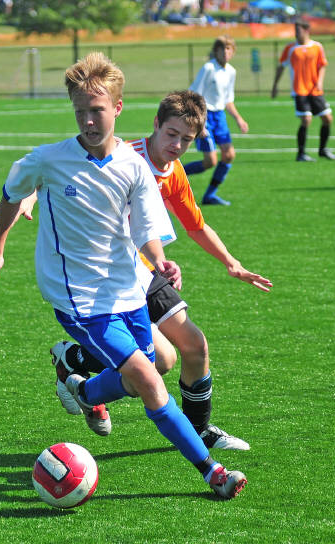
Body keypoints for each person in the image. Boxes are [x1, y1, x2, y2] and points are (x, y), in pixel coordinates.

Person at [0, 52, 247, 499]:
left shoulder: (134, 166)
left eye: (97, 110)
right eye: (80, 111)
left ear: (117, 108)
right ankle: (212, 471)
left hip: (128, 289)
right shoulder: (48, 160)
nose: (88, 120)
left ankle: (83, 389)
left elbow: (146, 229)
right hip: (78, 298)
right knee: (149, 379)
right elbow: (11, 194)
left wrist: (160, 261)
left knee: (155, 365)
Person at [49, 90, 272, 453]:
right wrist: (26, 197)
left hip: (146, 271)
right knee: (161, 360)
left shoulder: (175, 172)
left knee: (192, 346)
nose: (177, 145)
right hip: (109, 275)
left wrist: (232, 264)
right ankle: (76, 364)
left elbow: (196, 225)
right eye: (171, 134)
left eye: (187, 139)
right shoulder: (123, 155)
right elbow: (63, 172)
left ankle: (197, 430)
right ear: (155, 124)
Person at [183, 36, 248, 206]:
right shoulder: (208, 68)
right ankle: (174, 173)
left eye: (228, 49)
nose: (225, 52)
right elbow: (193, 96)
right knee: (210, 161)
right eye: (222, 49)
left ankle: (210, 195)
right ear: (216, 51)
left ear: (233, 52)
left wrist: (239, 119)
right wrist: (200, 123)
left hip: (220, 116)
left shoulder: (231, 72)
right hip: (205, 116)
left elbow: (228, 100)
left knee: (229, 155)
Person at [271, 20, 335, 162]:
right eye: (295, 30)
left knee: (327, 119)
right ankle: (301, 154)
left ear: (306, 31)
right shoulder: (290, 48)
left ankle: (323, 150)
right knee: (306, 120)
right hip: (299, 89)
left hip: (315, 90)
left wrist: (320, 82)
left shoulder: (317, 46)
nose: (296, 33)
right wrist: (275, 85)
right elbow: (281, 67)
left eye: (298, 30)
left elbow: (322, 65)